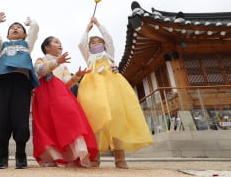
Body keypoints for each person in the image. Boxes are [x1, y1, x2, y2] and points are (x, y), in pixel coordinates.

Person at [77, 17, 153, 169]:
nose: (96, 44)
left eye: (99, 42)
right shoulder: (89, 58)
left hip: (113, 87)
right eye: (93, 43)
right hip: (93, 88)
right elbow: (80, 44)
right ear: (89, 47)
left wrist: (99, 24)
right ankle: (95, 158)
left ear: (104, 45)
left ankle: (120, 158)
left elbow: (109, 38)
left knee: (117, 119)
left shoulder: (109, 54)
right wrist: (87, 29)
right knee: (95, 121)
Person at [32, 36, 98, 167]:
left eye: (61, 43)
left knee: (70, 121)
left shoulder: (63, 66)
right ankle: (52, 158)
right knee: (47, 125)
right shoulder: (41, 60)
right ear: (47, 47)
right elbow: (40, 71)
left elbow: (66, 84)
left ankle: (72, 156)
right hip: (44, 96)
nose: (60, 45)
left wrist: (77, 76)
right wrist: (57, 62)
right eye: (56, 42)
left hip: (60, 95)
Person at [0, 12, 40, 169]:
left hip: (21, 82)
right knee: (1, 116)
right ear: (7, 34)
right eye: (12, 28)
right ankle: (2, 154)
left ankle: (20, 154)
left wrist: (31, 22)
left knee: (20, 117)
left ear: (24, 34)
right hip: (3, 81)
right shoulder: (2, 45)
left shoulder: (27, 45)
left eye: (19, 27)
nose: (15, 28)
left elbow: (35, 29)